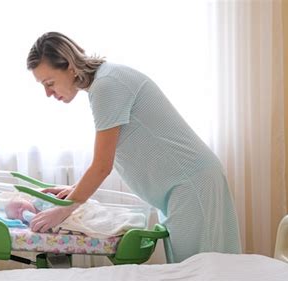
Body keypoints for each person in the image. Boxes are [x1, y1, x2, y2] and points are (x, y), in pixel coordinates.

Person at [26, 31, 241, 263]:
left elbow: (101, 166)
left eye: (49, 83)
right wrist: (75, 192)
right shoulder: (106, 81)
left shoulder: (107, 86)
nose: (47, 93)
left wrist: (64, 209)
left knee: (201, 274)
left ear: (69, 66)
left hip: (191, 184)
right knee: (193, 273)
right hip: (183, 186)